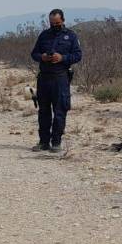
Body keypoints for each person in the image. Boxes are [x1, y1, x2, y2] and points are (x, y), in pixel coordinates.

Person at [29, 9, 82, 152]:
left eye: (57, 23)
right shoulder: (44, 35)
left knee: (60, 111)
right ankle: (43, 142)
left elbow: (78, 55)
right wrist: (43, 57)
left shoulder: (70, 36)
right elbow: (34, 54)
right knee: (43, 112)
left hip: (61, 78)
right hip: (44, 78)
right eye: (52, 23)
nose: (55, 25)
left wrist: (62, 58)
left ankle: (56, 142)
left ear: (63, 20)